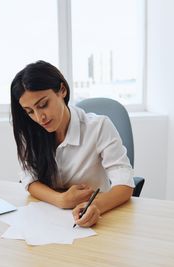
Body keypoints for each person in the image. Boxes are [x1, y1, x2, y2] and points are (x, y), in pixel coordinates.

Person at [10, 60, 134, 228]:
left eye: (43, 105)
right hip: (48, 219)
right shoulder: (31, 130)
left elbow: (124, 183)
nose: (40, 118)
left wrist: (96, 205)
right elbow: (29, 179)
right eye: (30, 111)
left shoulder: (99, 127)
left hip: (93, 218)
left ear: (62, 90)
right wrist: (61, 200)